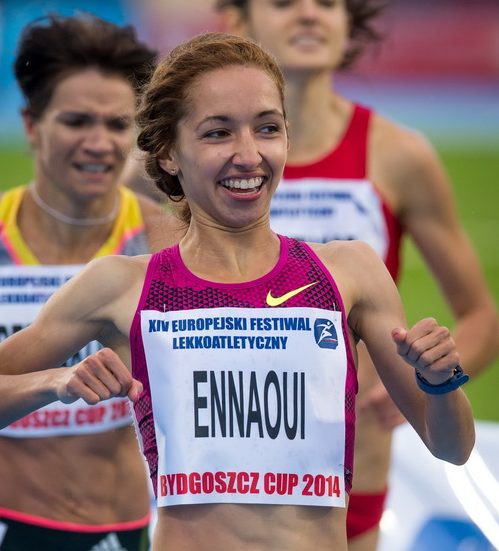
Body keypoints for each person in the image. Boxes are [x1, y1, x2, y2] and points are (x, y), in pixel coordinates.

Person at [0, 32, 475, 551]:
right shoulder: (122, 285)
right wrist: (55, 383)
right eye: (217, 133)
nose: (248, 155)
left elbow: (452, 448)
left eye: (267, 128)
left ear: (286, 138)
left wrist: (439, 382)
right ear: (167, 155)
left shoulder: (348, 272)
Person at [214, 1, 499, 549]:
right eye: (283, 3)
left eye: (327, 3)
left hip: (350, 477)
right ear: (238, 21)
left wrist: (423, 384)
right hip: (218, 477)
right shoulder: (184, 162)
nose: (309, 15)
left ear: (349, 23)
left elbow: (481, 315)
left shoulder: (398, 155)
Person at [0, 14, 184, 551]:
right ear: (32, 124)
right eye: (77, 122)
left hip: (128, 529)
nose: (100, 143)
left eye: (117, 124)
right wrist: (53, 383)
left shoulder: (171, 244)